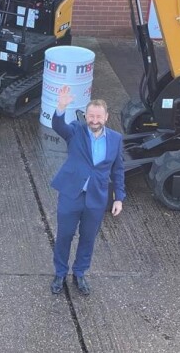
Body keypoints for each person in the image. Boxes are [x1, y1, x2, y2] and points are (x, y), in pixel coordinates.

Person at [49, 85, 125, 296]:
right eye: (91, 115)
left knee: (88, 238)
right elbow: (58, 125)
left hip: (97, 197)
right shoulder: (75, 130)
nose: (94, 120)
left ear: (106, 117)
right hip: (71, 194)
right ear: (86, 115)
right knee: (64, 235)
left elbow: (118, 170)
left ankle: (80, 273)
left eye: (98, 116)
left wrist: (118, 198)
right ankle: (60, 273)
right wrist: (61, 107)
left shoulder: (116, 139)